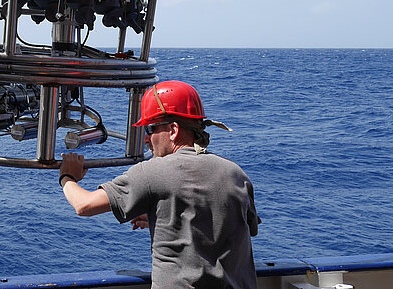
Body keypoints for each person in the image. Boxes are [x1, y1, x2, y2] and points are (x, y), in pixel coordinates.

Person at [58, 80, 260, 289]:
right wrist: (164, 217)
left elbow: (84, 205)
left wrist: (67, 176)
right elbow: (232, 227)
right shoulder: (236, 173)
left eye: (151, 129)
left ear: (173, 130)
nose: (146, 139)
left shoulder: (152, 172)